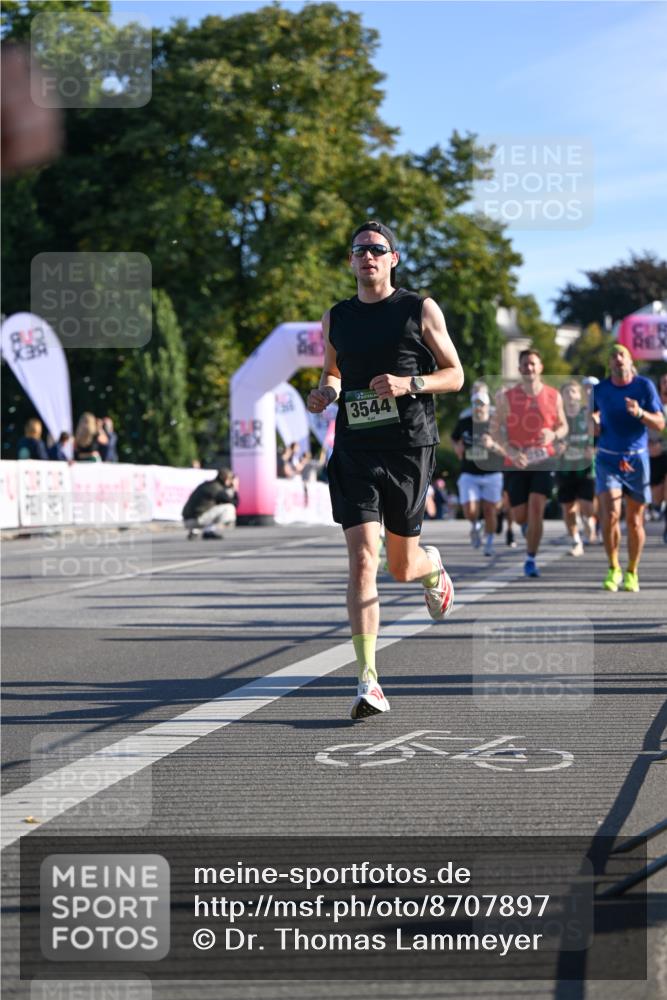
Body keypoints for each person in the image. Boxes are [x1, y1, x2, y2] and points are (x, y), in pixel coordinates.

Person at [306, 220, 464, 721]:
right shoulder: (336, 317)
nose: (367, 257)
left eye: (377, 249)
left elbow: (455, 375)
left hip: (408, 448)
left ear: (393, 258)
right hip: (354, 449)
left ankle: (431, 567)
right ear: (350, 260)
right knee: (361, 560)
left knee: (400, 567)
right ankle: (367, 679)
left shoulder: (419, 308)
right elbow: (333, 371)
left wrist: (408, 383)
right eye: (359, 250)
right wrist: (325, 392)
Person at [592, 345, 664, 591]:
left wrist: (640, 412)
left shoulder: (644, 386)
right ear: (609, 363)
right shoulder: (600, 390)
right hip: (608, 458)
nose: (618, 358)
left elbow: (660, 423)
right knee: (610, 513)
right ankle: (614, 567)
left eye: (622, 354)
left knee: (634, 520)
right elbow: (590, 424)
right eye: (613, 355)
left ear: (630, 360)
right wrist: (593, 424)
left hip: (636, 459)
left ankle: (632, 570)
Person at [491, 348, 568, 578]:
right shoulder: (508, 397)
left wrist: (553, 435)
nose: (529, 368)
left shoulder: (554, 395)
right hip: (516, 462)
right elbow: (495, 431)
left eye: (533, 363)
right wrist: (511, 451)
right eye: (525, 364)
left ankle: (530, 558)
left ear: (541, 367)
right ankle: (526, 528)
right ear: (519, 369)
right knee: (519, 515)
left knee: (537, 506)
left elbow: (563, 426)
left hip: (544, 459)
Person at [451, 384, 504, 556]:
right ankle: (475, 525)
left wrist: (493, 445)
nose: (478, 408)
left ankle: (489, 542)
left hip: (492, 473)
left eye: (481, 404)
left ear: (488, 406)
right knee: (470, 510)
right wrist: (457, 448)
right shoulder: (465, 422)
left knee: (490, 510)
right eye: (475, 404)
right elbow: (454, 438)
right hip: (469, 472)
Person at [555, 380, 596, 556]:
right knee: (568, 508)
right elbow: (550, 441)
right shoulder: (557, 417)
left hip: (585, 467)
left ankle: (588, 521)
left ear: (580, 395)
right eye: (566, 392)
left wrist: (593, 450)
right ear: (562, 397)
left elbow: (601, 435)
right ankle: (575, 541)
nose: (570, 395)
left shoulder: (588, 414)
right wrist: (557, 448)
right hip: (565, 468)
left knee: (587, 506)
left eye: (573, 391)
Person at [182, 468, 239, 539]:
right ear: (226, 479)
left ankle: (195, 530)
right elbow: (234, 503)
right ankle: (209, 530)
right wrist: (235, 489)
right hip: (197, 520)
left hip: (187, 520)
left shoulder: (207, 484)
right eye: (230, 479)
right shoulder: (216, 488)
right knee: (229, 507)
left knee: (213, 506)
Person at [648, 372, 667, 542]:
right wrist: (648, 445)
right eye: (665, 382)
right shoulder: (652, 405)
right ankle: (657, 507)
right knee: (657, 496)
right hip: (655, 454)